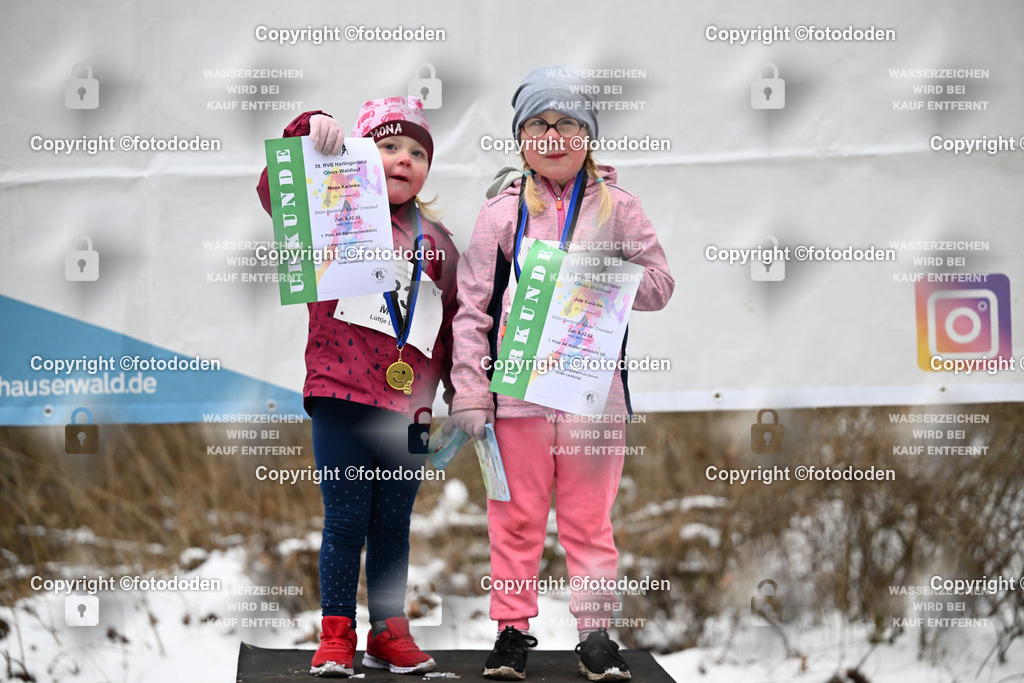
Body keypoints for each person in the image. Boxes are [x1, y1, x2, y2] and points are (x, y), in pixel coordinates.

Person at [448, 67, 675, 681]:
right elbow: (472, 308)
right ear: (521, 138)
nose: (553, 136)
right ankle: (512, 631)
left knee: (588, 520)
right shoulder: (499, 214)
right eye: (538, 124)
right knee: (515, 519)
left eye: (568, 123)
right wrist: (470, 390)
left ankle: (595, 633)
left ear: (588, 135)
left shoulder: (620, 208)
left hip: (591, 398)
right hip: (516, 395)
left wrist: (599, 277)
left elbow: (660, 285)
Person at [256, 97, 459, 677]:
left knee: (394, 526)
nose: (404, 159)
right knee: (346, 520)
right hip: (339, 394)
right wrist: (306, 134)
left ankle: (389, 633)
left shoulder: (440, 241)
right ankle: (337, 634)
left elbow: (448, 328)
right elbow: (276, 192)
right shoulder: (328, 209)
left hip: (409, 410)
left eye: (417, 152)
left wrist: (459, 394)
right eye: (390, 146)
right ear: (362, 154)